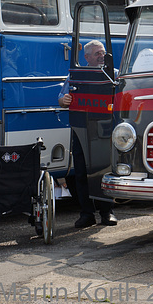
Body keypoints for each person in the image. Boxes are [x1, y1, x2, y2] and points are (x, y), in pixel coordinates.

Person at [58, 40, 118, 227]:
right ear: (87, 57)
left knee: (103, 170)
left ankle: (107, 213)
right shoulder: (76, 74)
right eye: (97, 54)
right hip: (80, 128)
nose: (102, 56)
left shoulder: (114, 74)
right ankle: (86, 214)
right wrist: (64, 99)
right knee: (82, 172)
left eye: (103, 53)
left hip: (104, 129)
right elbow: (61, 98)